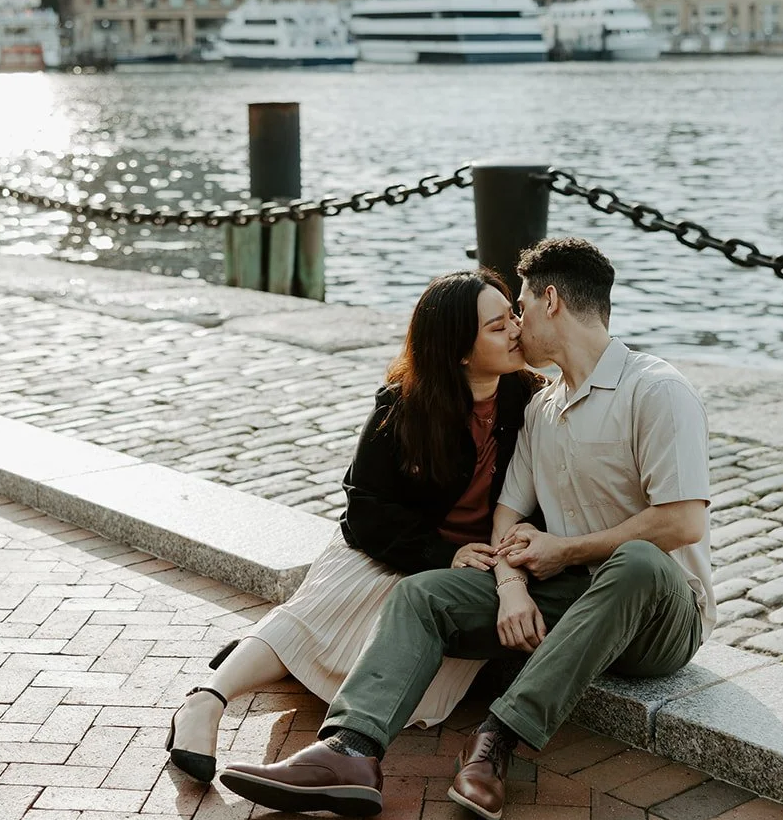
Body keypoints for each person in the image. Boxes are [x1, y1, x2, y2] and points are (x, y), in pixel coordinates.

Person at [219, 237, 714, 820]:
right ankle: (349, 750)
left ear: (550, 301)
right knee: (423, 593)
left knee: (636, 561)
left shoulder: (655, 390)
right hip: (571, 594)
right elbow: (506, 512)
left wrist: (566, 550)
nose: (516, 323)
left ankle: (495, 742)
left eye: (520, 307)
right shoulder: (540, 407)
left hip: (660, 613)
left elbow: (683, 521)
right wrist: (509, 582)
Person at [165, 269, 543, 783]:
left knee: (420, 693)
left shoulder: (532, 401)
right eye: (498, 327)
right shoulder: (404, 404)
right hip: (391, 549)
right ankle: (206, 702)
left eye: (513, 316)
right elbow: (365, 508)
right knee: (311, 619)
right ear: (458, 348)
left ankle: (295, 667)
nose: (517, 330)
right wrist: (439, 553)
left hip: (472, 569)